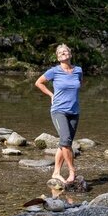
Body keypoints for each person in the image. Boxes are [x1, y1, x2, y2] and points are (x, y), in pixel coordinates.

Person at [35, 44, 83, 183]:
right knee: (66, 142)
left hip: (74, 111)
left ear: (70, 54)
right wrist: (51, 95)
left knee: (64, 143)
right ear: (57, 57)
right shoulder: (54, 71)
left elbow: (80, 84)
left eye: (65, 51)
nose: (63, 53)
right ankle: (72, 171)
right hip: (58, 111)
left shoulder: (78, 70)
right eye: (60, 52)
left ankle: (56, 173)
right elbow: (39, 83)